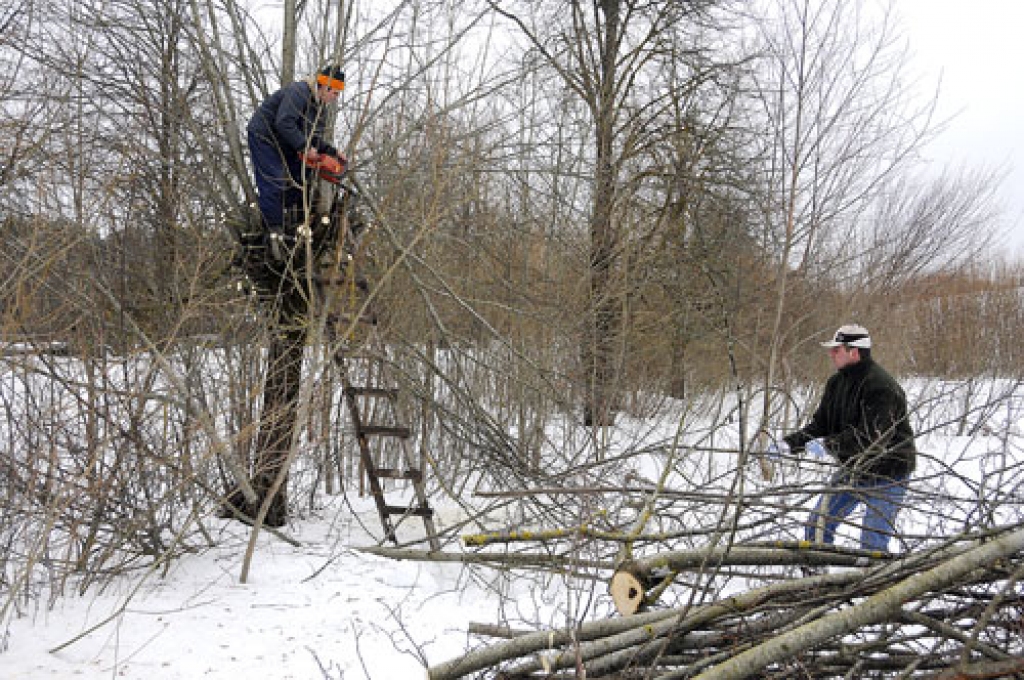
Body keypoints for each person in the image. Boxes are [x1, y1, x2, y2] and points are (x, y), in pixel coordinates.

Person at [773, 324, 916, 553]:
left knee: (872, 545)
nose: (831, 354)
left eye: (836, 349)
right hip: (853, 468)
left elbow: (873, 437)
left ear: (854, 352)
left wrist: (829, 445)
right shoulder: (836, 383)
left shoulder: (881, 387)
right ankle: (816, 580)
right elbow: (821, 424)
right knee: (816, 528)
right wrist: (790, 443)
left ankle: (874, 585)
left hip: (889, 472)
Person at [246, 65, 347, 246]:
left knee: (302, 177)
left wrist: (331, 152)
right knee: (274, 180)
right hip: (266, 136)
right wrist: (303, 146)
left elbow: (312, 137)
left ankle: (292, 220)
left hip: (286, 141)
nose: (335, 98)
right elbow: (284, 122)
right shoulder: (299, 92)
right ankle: (273, 231)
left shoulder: (319, 109)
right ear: (325, 87)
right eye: (335, 93)